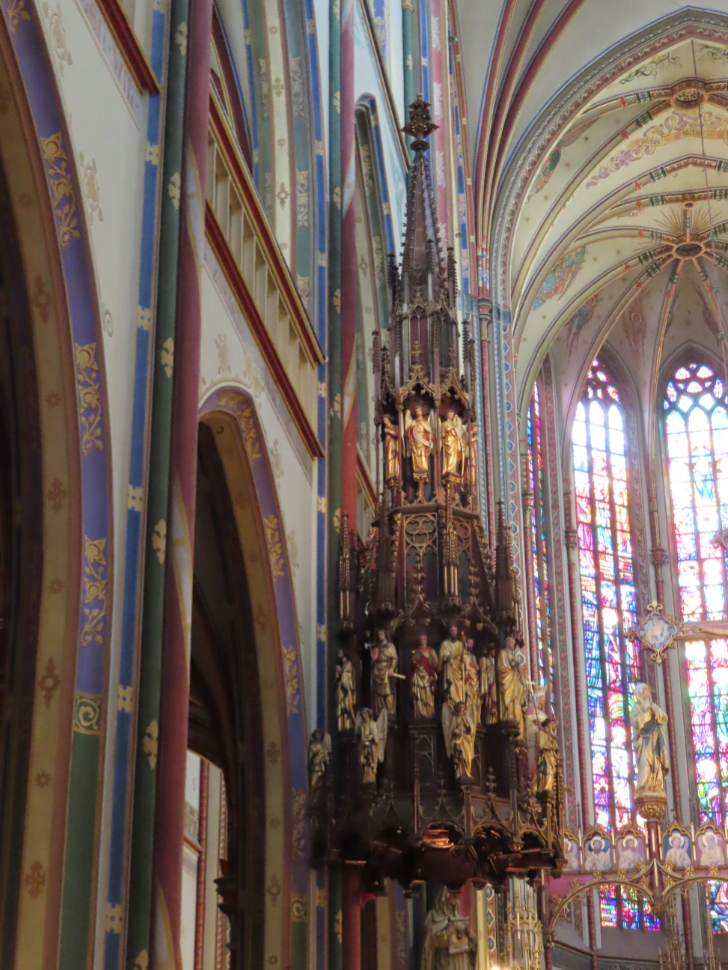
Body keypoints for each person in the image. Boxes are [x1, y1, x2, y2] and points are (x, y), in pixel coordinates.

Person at [421, 887, 477, 970]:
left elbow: (473, 947)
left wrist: (471, 936)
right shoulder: (434, 917)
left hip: (461, 964)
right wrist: (447, 934)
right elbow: (430, 943)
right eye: (453, 895)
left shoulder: (461, 920)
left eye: (458, 895)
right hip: (445, 964)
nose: (456, 898)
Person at [630, 682, 669, 793]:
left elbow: (664, 717)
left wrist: (657, 715)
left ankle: (656, 786)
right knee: (645, 763)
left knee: (656, 764)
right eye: (646, 689)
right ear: (640, 693)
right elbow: (634, 720)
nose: (648, 692)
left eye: (648, 689)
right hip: (644, 741)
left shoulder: (653, 706)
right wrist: (645, 716)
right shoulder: (637, 707)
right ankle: (643, 787)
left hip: (656, 740)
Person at [497, 636, 526, 735]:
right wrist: (513, 668)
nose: (513, 645)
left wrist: (520, 674)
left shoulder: (513, 655)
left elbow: (517, 670)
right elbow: (503, 669)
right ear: (507, 643)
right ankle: (508, 715)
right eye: (512, 643)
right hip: (508, 682)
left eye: (514, 643)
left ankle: (515, 717)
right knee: (509, 700)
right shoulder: (502, 653)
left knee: (517, 699)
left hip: (514, 683)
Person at [369, 629, 399, 716]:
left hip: (386, 670)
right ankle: (380, 712)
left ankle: (390, 712)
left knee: (388, 692)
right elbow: (373, 659)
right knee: (378, 694)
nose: (380, 636)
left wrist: (392, 668)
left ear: (385, 635)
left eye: (381, 634)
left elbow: (394, 659)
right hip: (377, 670)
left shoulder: (390, 646)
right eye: (378, 634)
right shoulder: (377, 648)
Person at [410, 635, 439, 718]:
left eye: (424, 639)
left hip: (427, 675)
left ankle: (429, 711)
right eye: (421, 639)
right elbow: (412, 664)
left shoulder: (431, 651)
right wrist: (414, 662)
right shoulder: (416, 651)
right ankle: (419, 712)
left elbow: (436, 663)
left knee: (428, 693)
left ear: (427, 640)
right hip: (418, 675)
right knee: (418, 693)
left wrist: (431, 663)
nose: (423, 640)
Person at [439, 626, 467, 712]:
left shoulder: (460, 644)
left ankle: (459, 703)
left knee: (458, 686)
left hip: (458, 669)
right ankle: (449, 702)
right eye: (452, 630)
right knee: (449, 686)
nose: (453, 632)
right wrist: (447, 657)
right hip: (449, 668)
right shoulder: (445, 644)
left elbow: (464, 658)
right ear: (450, 632)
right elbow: (441, 655)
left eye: (455, 631)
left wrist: (464, 667)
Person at [405, 406, 434, 480]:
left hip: (422, 441)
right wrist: (411, 427)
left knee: (422, 454)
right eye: (416, 411)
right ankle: (417, 468)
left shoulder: (425, 422)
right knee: (416, 454)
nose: (418, 412)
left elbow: (429, 432)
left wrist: (429, 440)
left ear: (422, 412)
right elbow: (409, 433)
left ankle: (423, 467)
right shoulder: (414, 422)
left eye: (419, 411)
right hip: (415, 442)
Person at [450, 701, 475, 781]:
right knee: (460, 756)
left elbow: (471, 731)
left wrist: (466, 725)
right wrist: (457, 731)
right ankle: (460, 772)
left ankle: (467, 771)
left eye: (463, 707)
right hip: (459, 740)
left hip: (466, 739)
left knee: (467, 756)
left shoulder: (467, 718)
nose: (461, 709)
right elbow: (452, 730)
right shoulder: (455, 718)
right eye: (460, 707)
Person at [440, 410, 465, 479]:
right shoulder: (444, 423)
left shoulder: (454, 423)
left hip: (454, 441)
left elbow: (457, 433)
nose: (451, 416)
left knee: (454, 455)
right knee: (450, 454)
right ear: (447, 415)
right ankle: (448, 469)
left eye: (452, 415)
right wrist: (453, 427)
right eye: (450, 414)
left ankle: (453, 470)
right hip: (448, 441)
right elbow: (444, 431)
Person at [336, 650, 356, 731]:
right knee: (341, 707)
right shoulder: (343, 665)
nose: (338, 654)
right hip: (341, 689)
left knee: (347, 706)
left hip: (346, 690)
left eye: (340, 653)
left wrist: (340, 672)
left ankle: (349, 724)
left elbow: (346, 676)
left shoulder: (348, 664)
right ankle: (342, 724)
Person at [308, 730, 331, 801]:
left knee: (320, 785)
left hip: (321, 767)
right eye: (317, 734)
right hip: (315, 767)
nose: (318, 735)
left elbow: (326, 756)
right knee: (313, 784)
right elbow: (310, 757)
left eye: (319, 734)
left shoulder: (323, 746)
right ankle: (312, 799)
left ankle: (317, 800)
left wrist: (326, 760)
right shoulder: (312, 746)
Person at [479, 651, 498, 724]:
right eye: (493, 650)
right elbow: (482, 671)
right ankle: (486, 720)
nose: (494, 652)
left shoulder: (492, 663)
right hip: (487, 684)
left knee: (492, 704)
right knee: (487, 703)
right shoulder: (485, 660)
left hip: (493, 684)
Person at [382, 415, 401, 484]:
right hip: (387, 445)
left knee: (392, 457)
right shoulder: (385, 429)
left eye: (386, 420)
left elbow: (397, 435)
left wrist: (389, 431)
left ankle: (393, 474)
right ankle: (390, 473)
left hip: (392, 445)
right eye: (384, 421)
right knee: (388, 459)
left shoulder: (394, 427)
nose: (385, 422)